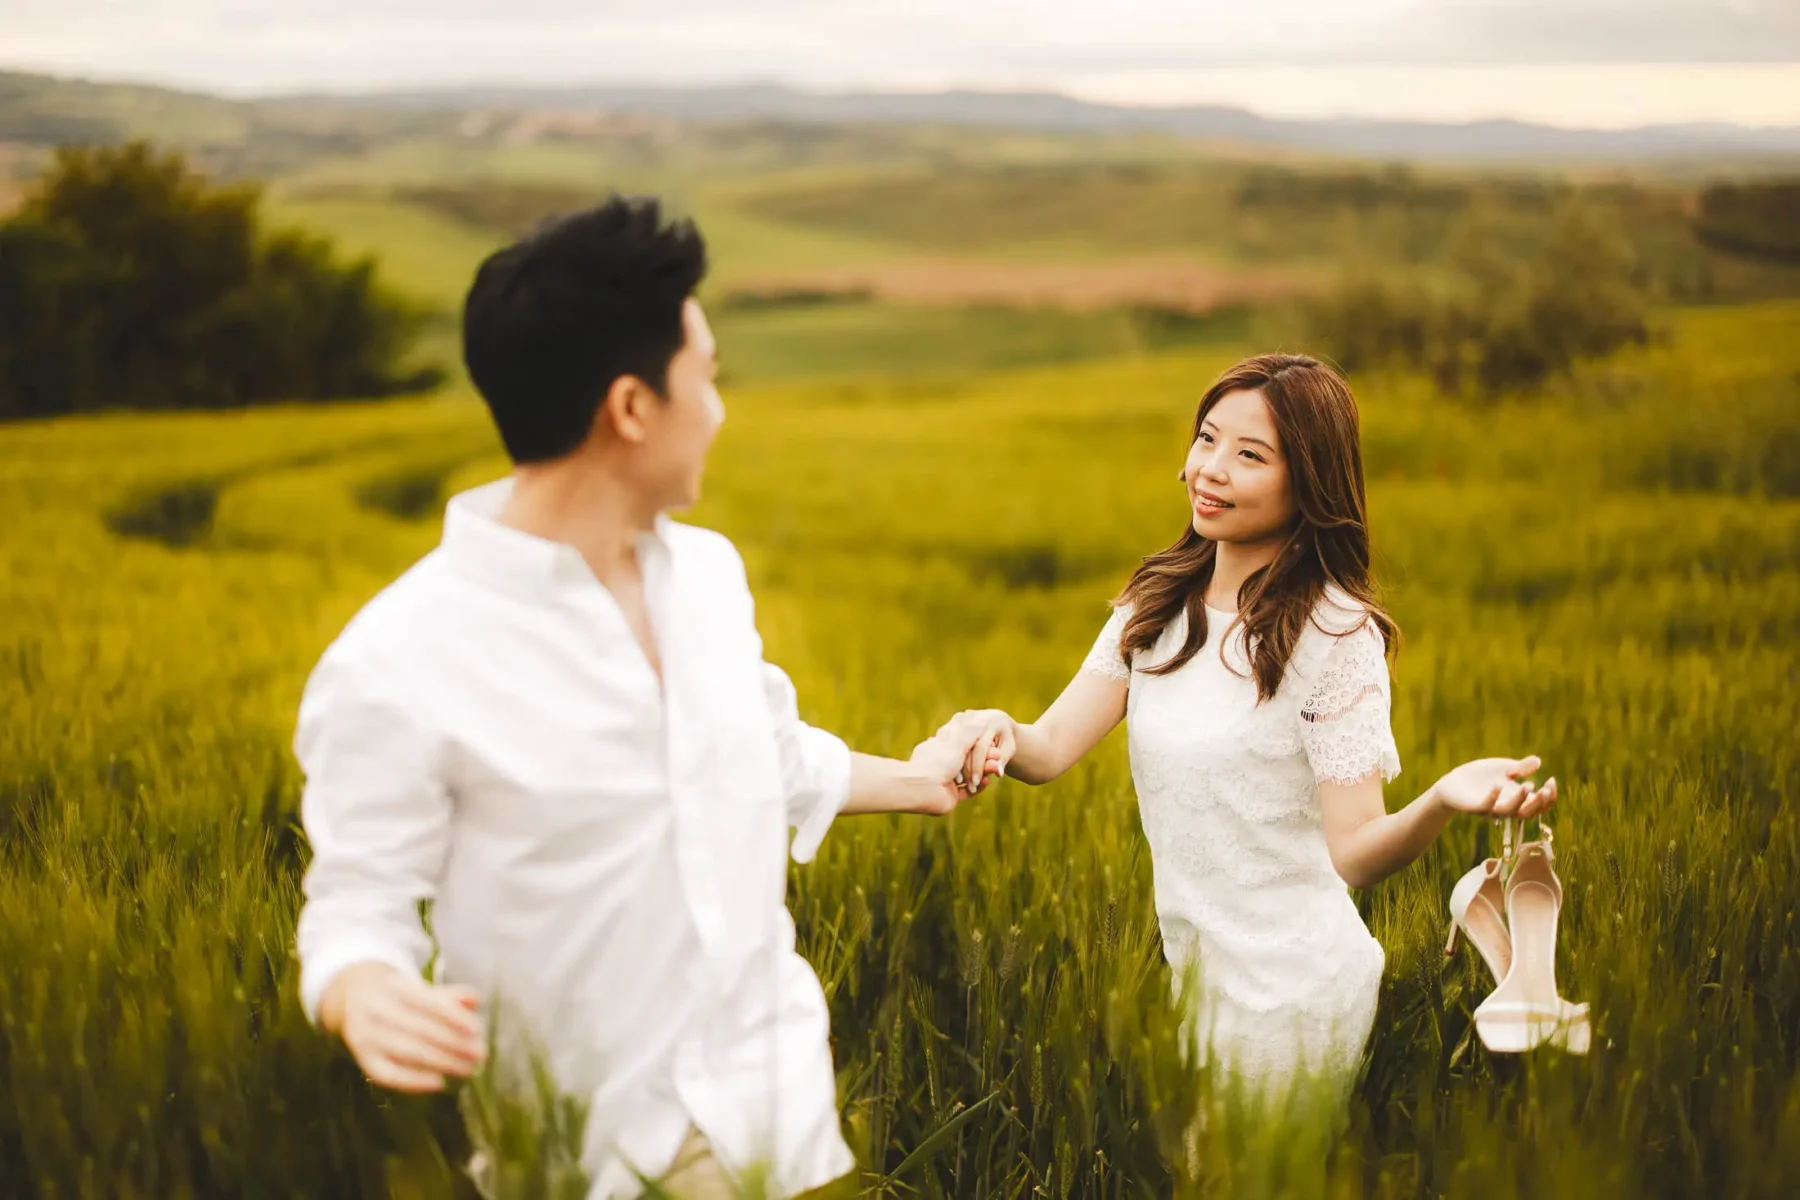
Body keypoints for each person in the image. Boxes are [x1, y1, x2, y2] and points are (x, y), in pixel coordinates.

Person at [292, 195, 994, 1199]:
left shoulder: (707, 578)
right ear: (631, 408)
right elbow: (355, 905)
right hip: (595, 1156)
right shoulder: (399, 660)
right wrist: (362, 991)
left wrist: (925, 783)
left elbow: (769, 756)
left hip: (776, 1114)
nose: (719, 408)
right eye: (704, 377)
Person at [939, 354, 1559, 1092]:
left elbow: (1356, 853)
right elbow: (1048, 750)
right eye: (1207, 439)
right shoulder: (1155, 606)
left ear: (1310, 482)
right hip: (1191, 983)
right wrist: (999, 732)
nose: (1211, 469)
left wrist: (1440, 798)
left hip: (1295, 996)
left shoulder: (1335, 635)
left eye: (1250, 455)